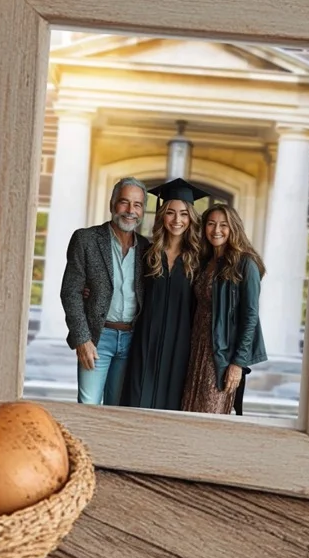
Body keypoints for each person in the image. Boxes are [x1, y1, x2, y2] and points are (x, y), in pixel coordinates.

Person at [59, 176, 148, 405]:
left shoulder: (147, 248)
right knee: (88, 406)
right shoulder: (86, 239)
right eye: (124, 202)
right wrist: (82, 339)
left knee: (118, 409)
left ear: (142, 211)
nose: (130, 211)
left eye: (137, 205)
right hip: (98, 338)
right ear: (112, 204)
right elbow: (70, 292)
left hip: (132, 340)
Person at [119, 177, 207, 411]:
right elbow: (123, 284)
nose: (177, 220)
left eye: (184, 214)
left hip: (180, 344)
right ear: (162, 216)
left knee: (171, 405)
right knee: (137, 400)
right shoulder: (146, 253)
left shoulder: (199, 259)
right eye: (170, 213)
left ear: (191, 218)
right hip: (145, 339)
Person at [181, 202, 268, 415]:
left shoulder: (245, 264)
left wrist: (238, 364)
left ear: (233, 228)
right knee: (188, 411)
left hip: (221, 354)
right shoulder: (205, 262)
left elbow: (250, 316)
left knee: (210, 413)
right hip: (196, 349)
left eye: (223, 225)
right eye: (211, 224)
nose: (216, 230)